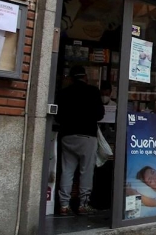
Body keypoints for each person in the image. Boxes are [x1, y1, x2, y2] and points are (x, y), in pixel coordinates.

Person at [55, 65, 105, 215]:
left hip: (68, 136)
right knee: (86, 171)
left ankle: (64, 205)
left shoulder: (64, 93)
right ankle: (83, 204)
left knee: (67, 171)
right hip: (87, 137)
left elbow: (58, 116)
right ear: (85, 77)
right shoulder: (93, 91)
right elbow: (100, 115)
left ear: (70, 78)